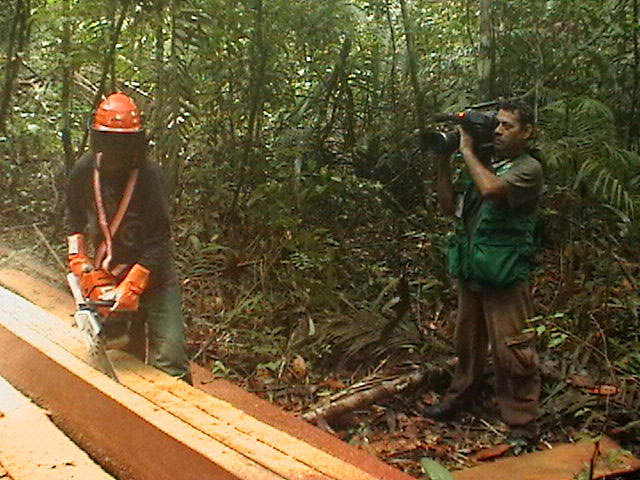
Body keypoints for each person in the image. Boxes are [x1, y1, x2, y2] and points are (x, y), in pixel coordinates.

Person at [425, 99, 543, 445]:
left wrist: (466, 151)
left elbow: (492, 191)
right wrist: (445, 161)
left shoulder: (528, 168)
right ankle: (461, 396)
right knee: (467, 341)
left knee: (513, 348)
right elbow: (449, 206)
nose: (499, 132)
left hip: (504, 271)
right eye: (497, 126)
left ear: (527, 132)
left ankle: (522, 422)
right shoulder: (482, 164)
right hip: (472, 266)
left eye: (508, 126)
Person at [65, 92, 192, 384]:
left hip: (156, 279)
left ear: (137, 142)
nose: (118, 150)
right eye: (111, 142)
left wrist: (134, 285)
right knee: (125, 360)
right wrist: (81, 263)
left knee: (170, 358)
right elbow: (73, 221)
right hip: (108, 278)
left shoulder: (149, 177)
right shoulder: (84, 171)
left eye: (125, 143)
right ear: (99, 140)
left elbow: (160, 241)